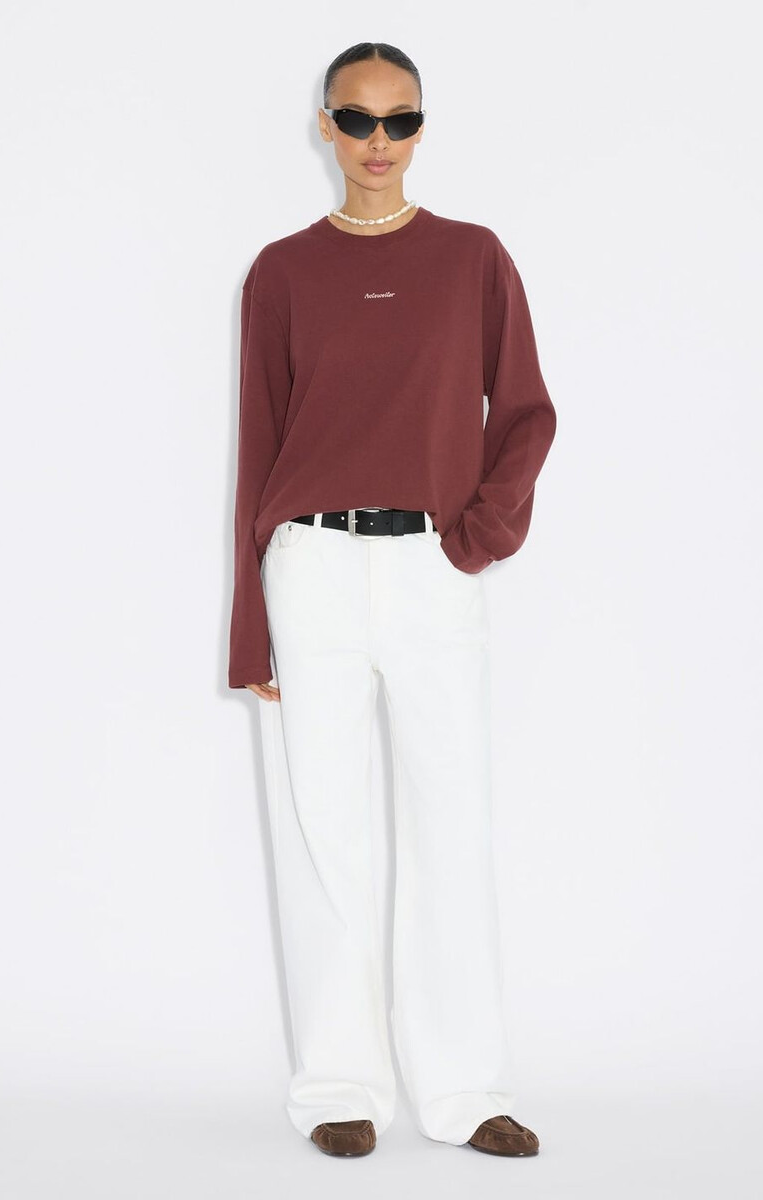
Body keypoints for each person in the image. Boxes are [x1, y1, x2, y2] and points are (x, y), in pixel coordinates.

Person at [228, 42, 557, 1159]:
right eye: (359, 119)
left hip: (430, 565)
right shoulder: (281, 272)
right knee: (321, 829)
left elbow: (525, 412)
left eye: (401, 120)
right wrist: (249, 628)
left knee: (449, 822)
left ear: (422, 128)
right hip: (310, 567)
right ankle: (339, 1088)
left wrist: (478, 537)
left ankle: (463, 1092)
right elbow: (258, 448)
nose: (380, 142)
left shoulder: (472, 258)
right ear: (325, 126)